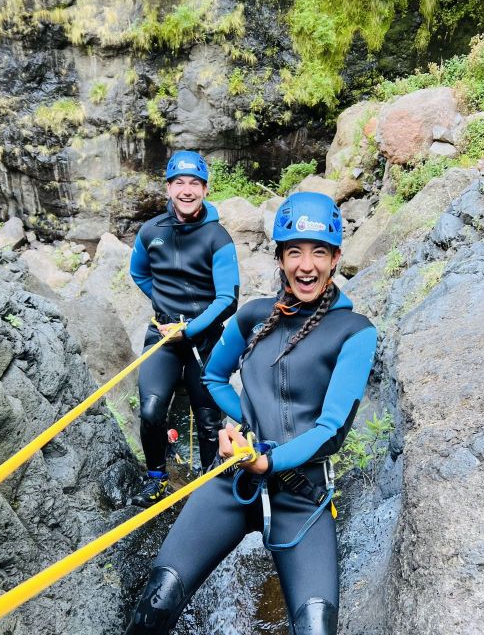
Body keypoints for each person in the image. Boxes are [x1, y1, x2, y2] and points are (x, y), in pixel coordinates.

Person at [124, 191, 377, 634]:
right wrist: (245, 424)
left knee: (317, 627)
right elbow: (214, 379)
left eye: (319, 252)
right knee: (158, 600)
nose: (306, 265)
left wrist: (271, 458)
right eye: (294, 251)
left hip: (302, 494)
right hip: (235, 479)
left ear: (336, 258)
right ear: (279, 257)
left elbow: (332, 428)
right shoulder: (253, 317)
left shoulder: (354, 332)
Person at [129, 150, 240, 506]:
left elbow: (228, 299)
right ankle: (157, 478)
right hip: (162, 337)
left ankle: (210, 489)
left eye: (195, 183)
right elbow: (139, 273)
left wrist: (191, 328)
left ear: (205, 189)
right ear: (169, 188)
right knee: (150, 411)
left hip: (204, 340)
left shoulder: (217, 237)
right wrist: (163, 307)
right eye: (180, 182)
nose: (187, 190)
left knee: (209, 421)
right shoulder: (151, 232)